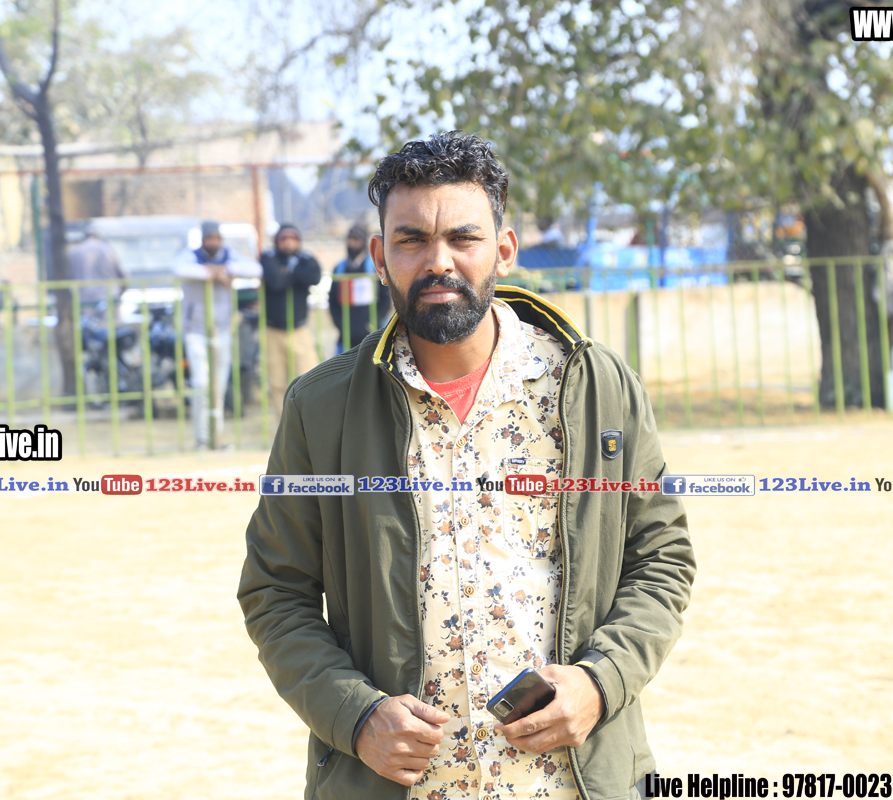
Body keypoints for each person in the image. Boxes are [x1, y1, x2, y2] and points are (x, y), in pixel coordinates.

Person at [237, 132, 695, 800]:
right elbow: (276, 592)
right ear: (380, 257)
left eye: (463, 238)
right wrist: (355, 716)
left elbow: (662, 558)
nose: (438, 261)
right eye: (412, 240)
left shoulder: (595, 386)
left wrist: (601, 682)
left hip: (571, 783)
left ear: (503, 250)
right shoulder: (321, 408)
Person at [172, 220, 261, 449]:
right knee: (201, 385)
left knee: (218, 388)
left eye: (216, 238)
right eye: (208, 238)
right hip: (196, 330)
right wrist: (210, 273)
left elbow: (255, 269)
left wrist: (226, 270)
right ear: (202, 240)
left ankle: (216, 439)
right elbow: (178, 269)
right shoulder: (191, 256)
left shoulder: (229, 256)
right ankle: (201, 438)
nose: (212, 242)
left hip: (222, 329)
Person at [260, 223, 323, 415]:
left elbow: (315, 276)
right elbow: (276, 281)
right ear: (277, 241)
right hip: (273, 330)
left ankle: (307, 423)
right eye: (284, 239)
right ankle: (283, 424)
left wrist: (290, 270)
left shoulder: (305, 258)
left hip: (299, 329)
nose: (288, 243)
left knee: (308, 379)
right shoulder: (269, 257)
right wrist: (296, 276)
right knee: (277, 382)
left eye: (292, 239)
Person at [328, 221, 394, 353]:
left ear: (363, 242)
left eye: (356, 239)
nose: (351, 244)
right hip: (346, 337)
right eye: (350, 239)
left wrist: (375, 320)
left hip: (372, 335)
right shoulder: (340, 268)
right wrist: (340, 324)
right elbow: (332, 299)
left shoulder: (374, 267)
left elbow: (386, 297)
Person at [67, 221, 127, 317]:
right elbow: (123, 276)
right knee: (111, 325)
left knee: (88, 325)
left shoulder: (75, 251)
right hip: (108, 296)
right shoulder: (108, 249)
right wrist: (120, 293)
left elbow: (69, 276)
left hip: (84, 297)